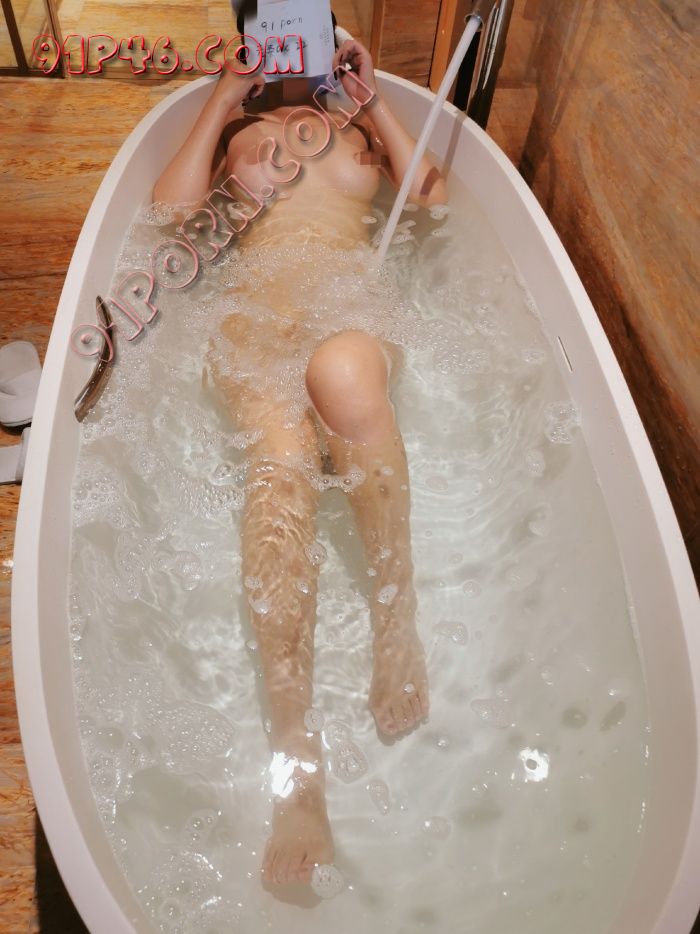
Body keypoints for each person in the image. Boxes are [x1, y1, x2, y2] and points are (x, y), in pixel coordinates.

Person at [152, 19, 448, 888]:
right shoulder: (240, 128)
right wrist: (222, 97)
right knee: (281, 456)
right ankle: (297, 753)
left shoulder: (355, 122)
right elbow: (169, 218)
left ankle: (396, 621)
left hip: (348, 307)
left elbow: (431, 200)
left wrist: (374, 97)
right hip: (256, 315)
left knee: (345, 372)